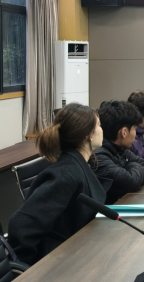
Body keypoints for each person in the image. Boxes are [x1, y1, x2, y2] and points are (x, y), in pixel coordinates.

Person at [8, 103, 107, 265]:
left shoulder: (79, 163)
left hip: (81, 250)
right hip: (60, 262)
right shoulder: (66, 175)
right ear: (88, 134)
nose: (102, 130)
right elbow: (21, 225)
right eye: (99, 125)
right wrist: (30, 270)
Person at [93, 100, 144, 205]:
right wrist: (132, 167)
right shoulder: (99, 157)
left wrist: (130, 169)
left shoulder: (119, 148)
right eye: (134, 129)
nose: (135, 134)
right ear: (124, 132)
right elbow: (131, 182)